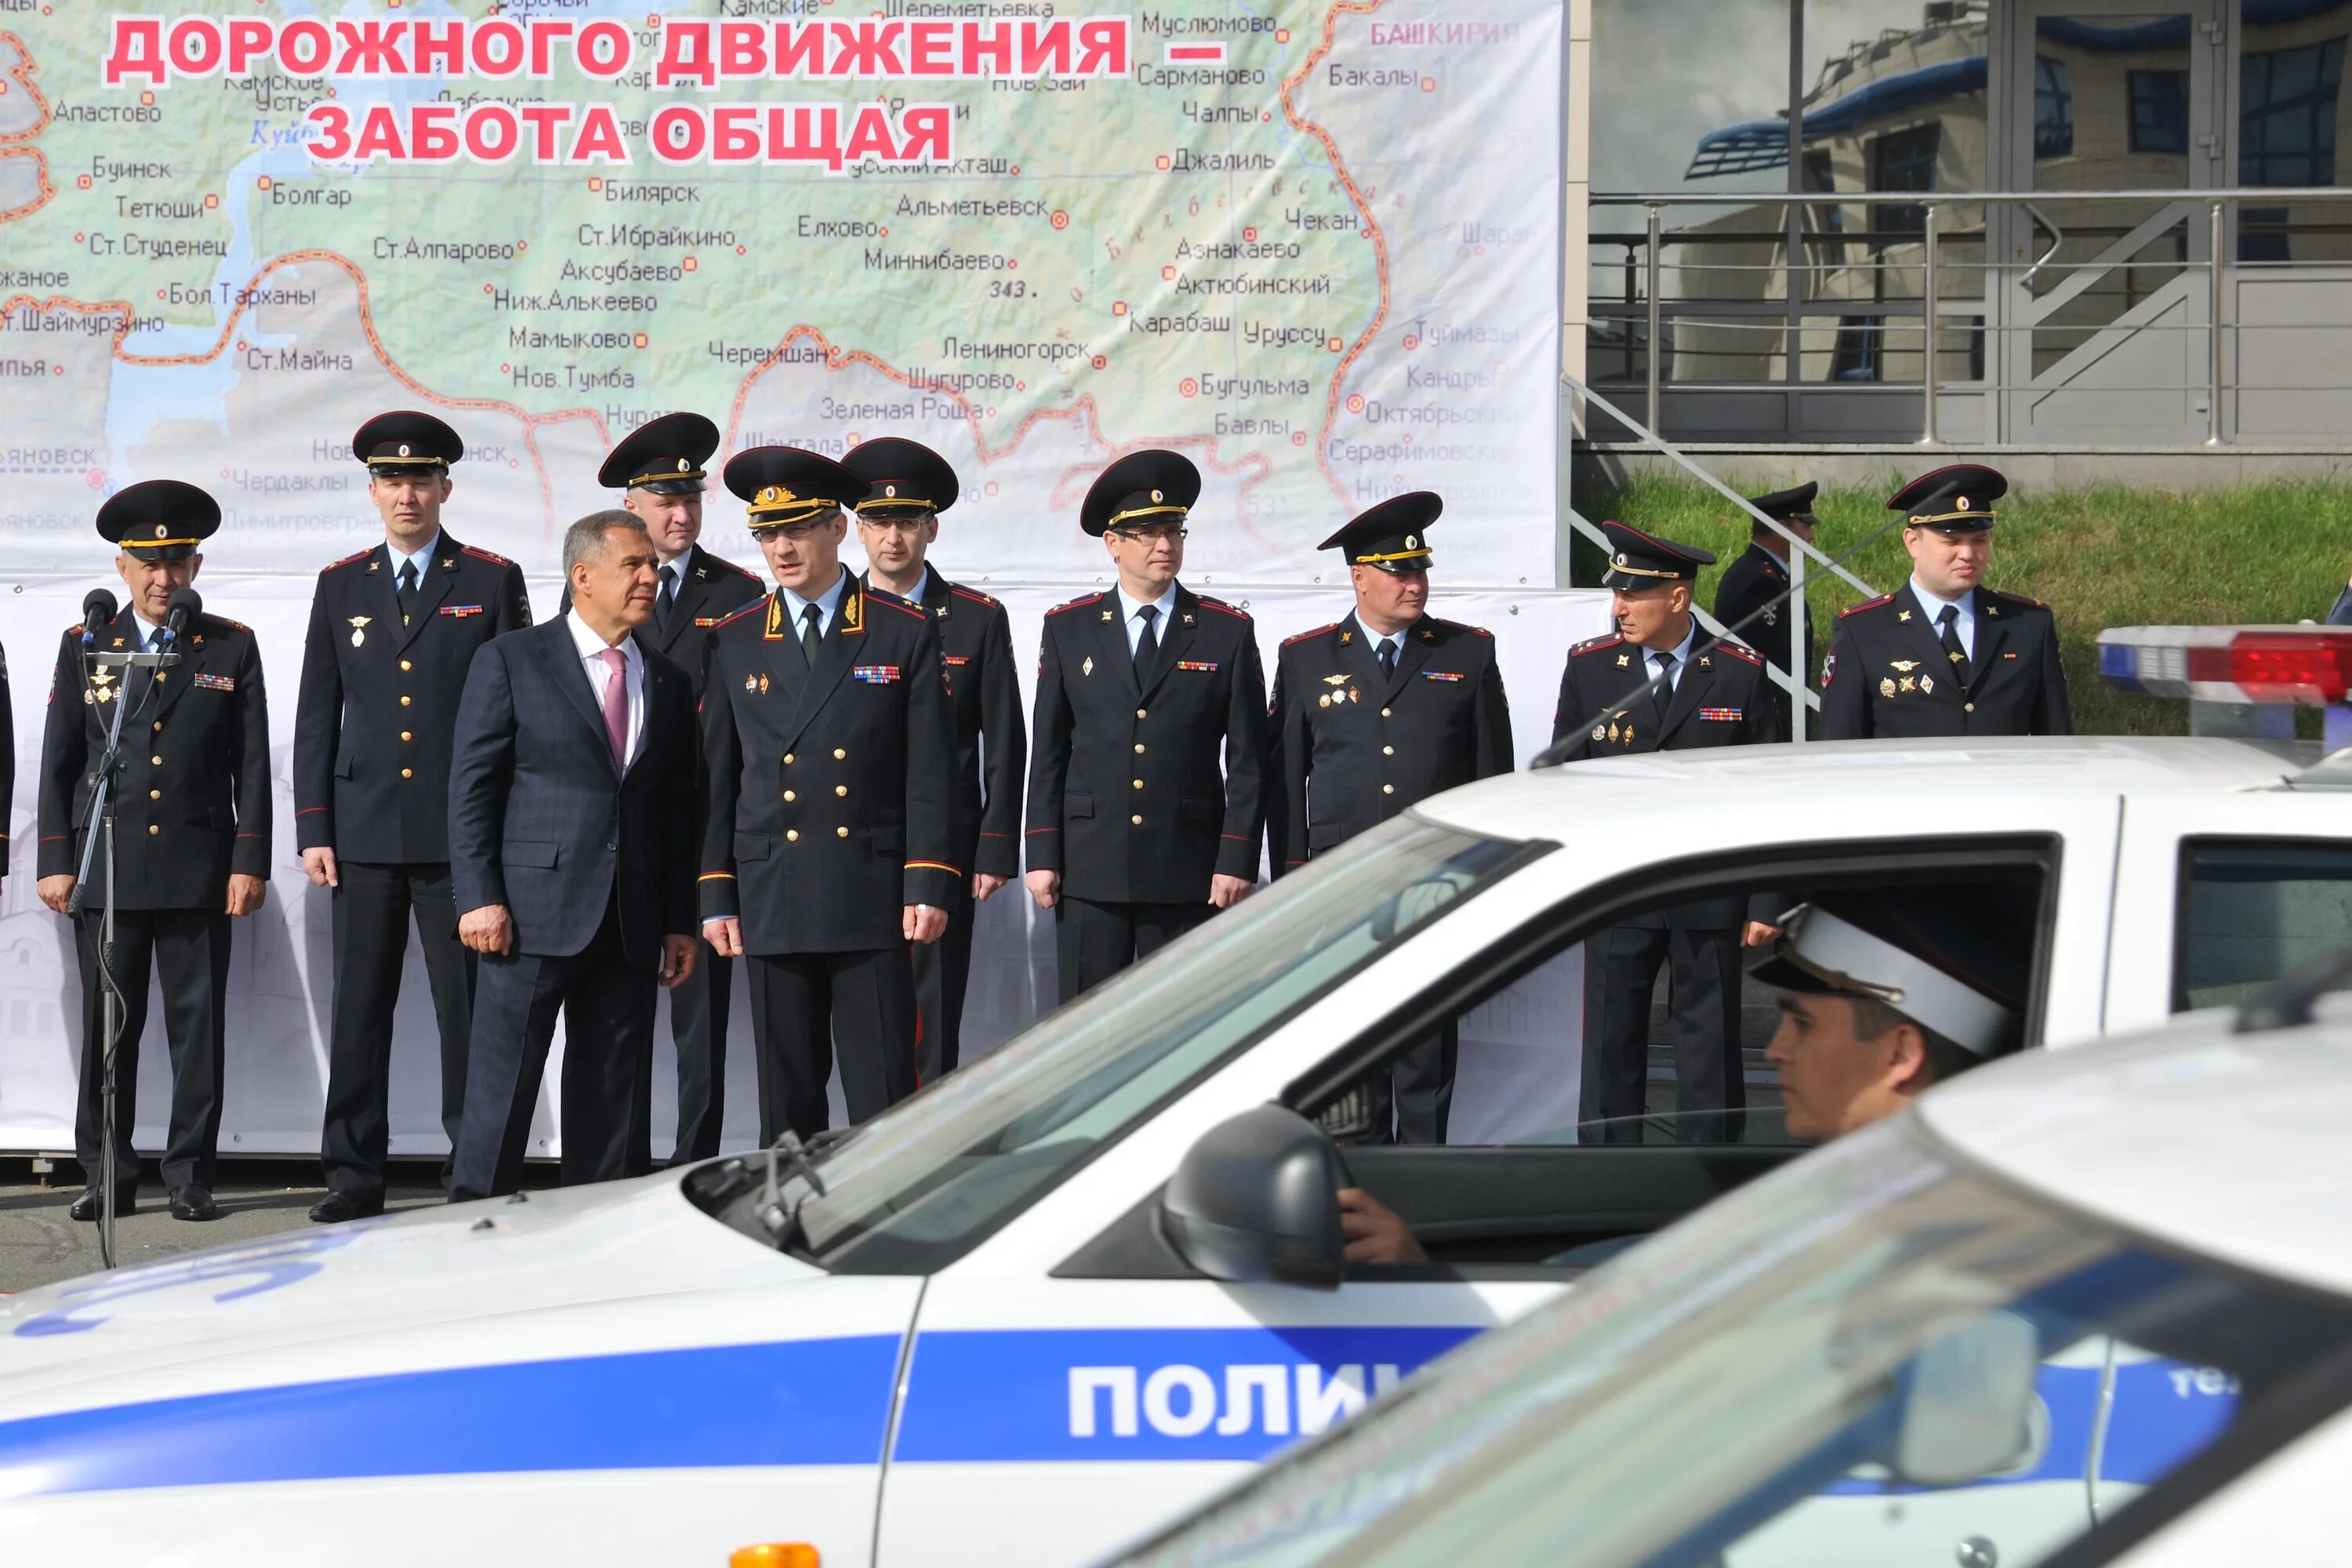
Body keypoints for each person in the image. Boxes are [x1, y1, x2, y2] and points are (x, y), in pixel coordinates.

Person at [1340, 891, 2025, 1264]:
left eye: (1804, 1025)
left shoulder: (1929, 1259)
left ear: (1901, 1055)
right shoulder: (1850, 1206)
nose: (1774, 1050)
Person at [296, 412, 533, 1224]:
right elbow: (317, 712)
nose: (407, 493)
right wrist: (314, 825)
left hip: (456, 841)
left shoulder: (490, 580)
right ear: (372, 490)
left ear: (445, 488)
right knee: (358, 1010)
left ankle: (478, 1168)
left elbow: (520, 713)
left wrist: (504, 831)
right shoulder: (341, 583)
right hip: (361, 835)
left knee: (470, 1015)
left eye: (421, 479)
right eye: (392, 480)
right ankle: (352, 1174)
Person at [698, 448, 959, 1142]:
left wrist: (928, 882)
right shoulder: (735, 638)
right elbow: (719, 780)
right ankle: (790, 1229)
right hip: (773, 891)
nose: (781, 548)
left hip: (868, 891)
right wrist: (717, 890)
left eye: (799, 528)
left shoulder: (901, 628)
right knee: (787, 1099)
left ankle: (889, 1224)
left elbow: (931, 770)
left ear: (838, 530)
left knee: (882, 1089)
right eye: (767, 533)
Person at [445, 511, 700, 1201]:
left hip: (629, 922)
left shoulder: (670, 682)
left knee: (613, 1098)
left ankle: (595, 1241)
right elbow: (472, 788)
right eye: (634, 565)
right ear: (583, 576)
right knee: (500, 1094)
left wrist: (678, 918)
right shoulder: (512, 659)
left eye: (652, 565)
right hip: (526, 918)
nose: (651, 576)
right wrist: (478, 896)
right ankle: (472, 1238)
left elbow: (679, 811)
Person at [37, 481, 270, 1222]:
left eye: (177, 563)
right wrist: (55, 859)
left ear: (196, 567)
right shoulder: (87, 645)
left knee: (197, 1031)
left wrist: (248, 860)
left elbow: (253, 763)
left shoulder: (230, 643)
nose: (163, 579)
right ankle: (106, 1173)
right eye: (148, 563)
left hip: (199, 870)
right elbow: (60, 761)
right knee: (109, 1030)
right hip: (105, 868)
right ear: (123, 566)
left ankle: (190, 1174)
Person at [1268, 493, 1512, 1142]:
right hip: (1339, 884)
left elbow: (1493, 780)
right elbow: (1285, 783)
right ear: (1360, 577)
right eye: (1399, 571)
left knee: (1426, 1048)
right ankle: (1360, 1182)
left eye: (1421, 570)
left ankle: (1425, 1188)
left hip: (1434, 878)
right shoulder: (1306, 658)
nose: (1415, 583)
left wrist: (1486, 877)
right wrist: (1292, 878)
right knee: (1352, 1044)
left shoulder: (1468, 654)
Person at [561, 412, 765, 1172]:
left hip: (706, 839)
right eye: (664, 500)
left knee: (702, 1025)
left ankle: (693, 1165)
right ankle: (623, 1168)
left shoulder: (741, 590)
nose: (681, 515)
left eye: (692, 498)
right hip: (619, 849)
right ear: (630, 506)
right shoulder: (594, 592)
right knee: (617, 1023)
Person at [1552, 521, 1777, 1145]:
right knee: (1609, 1048)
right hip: (1618, 893)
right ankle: (1606, 1184)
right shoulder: (1591, 669)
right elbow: (1566, 787)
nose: (1618, 607)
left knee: (1709, 1050)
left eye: (1634, 594)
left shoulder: (1738, 673)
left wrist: (1764, 900)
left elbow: (1767, 799)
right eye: (1616, 592)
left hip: (1709, 893)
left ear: (1677, 598)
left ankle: (1707, 1188)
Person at [1024, 449, 1269, 1002]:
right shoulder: (1070, 628)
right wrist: (1041, 853)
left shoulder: (1224, 631)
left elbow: (1249, 760)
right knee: (1086, 1032)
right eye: (1149, 534)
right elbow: (1050, 752)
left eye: (1174, 531)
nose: (1166, 545)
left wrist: (1236, 857)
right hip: (1091, 867)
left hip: (1187, 868)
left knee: (1179, 1028)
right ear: (1113, 543)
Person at [844, 437, 1025, 1085]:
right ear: (858, 531)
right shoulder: (833, 616)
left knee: (933, 1004)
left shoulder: (976, 619)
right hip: (853, 845)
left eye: (908, 522)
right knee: (860, 1008)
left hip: (943, 846)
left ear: (932, 528)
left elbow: (1004, 740)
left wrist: (995, 846)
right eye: (879, 523)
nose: (894, 538)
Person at [1820, 464, 2071, 739]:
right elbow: (1841, 745)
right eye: (1951, 541)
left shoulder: (2028, 624)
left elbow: (2055, 737)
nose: (1967, 553)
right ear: (1913, 542)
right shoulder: (1864, 631)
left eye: (1979, 540)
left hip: (2002, 781)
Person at [1711, 480, 1819, 742]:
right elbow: (1762, 660)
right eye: (1805, 526)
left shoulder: (1768, 574)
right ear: (1782, 527)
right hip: (1767, 721)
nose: (1811, 536)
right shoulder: (1759, 582)